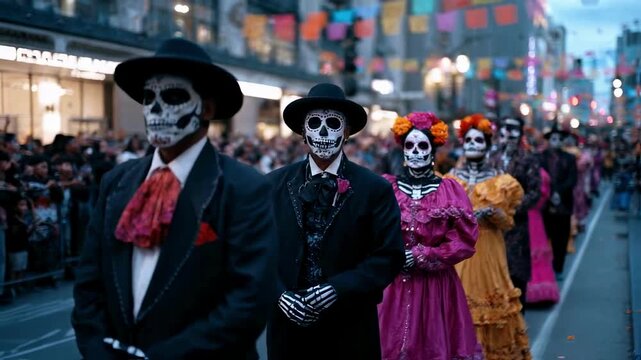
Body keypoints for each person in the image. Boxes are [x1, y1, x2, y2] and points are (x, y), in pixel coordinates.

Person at [71, 38, 278, 359]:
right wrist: (98, 351)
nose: (155, 109)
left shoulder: (244, 188)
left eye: (174, 97)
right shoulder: (117, 183)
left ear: (206, 109)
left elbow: (248, 300)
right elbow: (89, 282)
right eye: (148, 97)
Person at [266, 83, 405, 359]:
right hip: (288, 331)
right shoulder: (273, 185)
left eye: (333, 124)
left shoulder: (374, 188)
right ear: (304, 133)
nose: (324, 133)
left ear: (347, 132)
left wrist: (337, 289)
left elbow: (388, 257)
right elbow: (255, 251)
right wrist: (279, 295)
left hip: (349, 329)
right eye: (315, 124)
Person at [378, 112, 482, 360]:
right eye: (409, 145)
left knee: (432, 345)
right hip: (393, 285)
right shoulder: (386, 188)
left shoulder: (449, 191)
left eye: (422, 145)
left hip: (435, 287)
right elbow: (371, 232)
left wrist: (424, 254)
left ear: (432, 151)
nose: (415, 151)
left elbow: (464, 240)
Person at [445, 114, 531, 359]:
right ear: (463, 144)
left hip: (490, 251)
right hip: (458, 254)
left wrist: (493, 213)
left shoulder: (502, 182)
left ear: (487, 145)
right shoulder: (450, 180)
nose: (473, 144)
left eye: (478, 140)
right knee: (457, 307)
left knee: (491, 310)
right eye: (469, 140)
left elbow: (508, 222)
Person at [489, 116, 540, 310]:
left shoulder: (527, 158)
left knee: (516, 274)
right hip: (492, 225)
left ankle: (518, 315)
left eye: (513, 130)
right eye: (505, 129)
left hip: (516, 225)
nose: (508, 134)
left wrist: (513, 209)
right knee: (494, 273)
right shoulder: (491, 158)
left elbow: (535, 191)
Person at [540, 123, 577, 278]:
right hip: (544, 204)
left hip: (563, 203)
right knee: (543, 236)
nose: (556, 141)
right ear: (549, 140)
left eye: (559, 138)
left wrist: (558, 193)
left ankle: (559, 267)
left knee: (561, 238)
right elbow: (538, 178)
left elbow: (572, 179)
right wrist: (550, 194)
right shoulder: (540, 157)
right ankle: (542, 269)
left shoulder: (569, 158)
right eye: (553, 138)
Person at [526, 168, 560, 304]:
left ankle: (533, 291)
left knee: (533, 250)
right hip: (535, 216)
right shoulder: (541, 173)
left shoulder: (538, 173)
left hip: (531, 217)